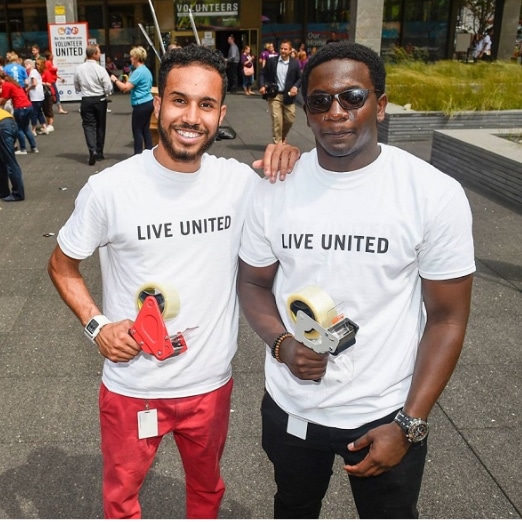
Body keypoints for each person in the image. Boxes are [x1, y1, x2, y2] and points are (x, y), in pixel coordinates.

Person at [47, 44, 299, 519]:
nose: (192, 117)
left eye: (206, 105)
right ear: (157, 104)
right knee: (121, 500)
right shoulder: (110, 189)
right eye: (180, 100)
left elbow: (307, 195)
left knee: (207, 493)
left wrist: (288, 155)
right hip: (133, 385)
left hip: (209, 385)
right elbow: (62, 264)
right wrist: (97, 325)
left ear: (221, 113)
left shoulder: (242, 184)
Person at [237, 42, 475, 519]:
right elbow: (253, 284)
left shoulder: (432, 194)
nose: (337, 112)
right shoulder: (275, 188)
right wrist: (283, 344)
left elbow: (448, 319)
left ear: (380, 105)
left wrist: (410, 423)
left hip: (384, 413)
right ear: (306, 111)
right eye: (321, 101)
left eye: (353, 97)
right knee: (293, 507)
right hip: (293, 408)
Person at [110, 46, 154, 155]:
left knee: (137, 131)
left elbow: (125, 88)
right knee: (145, 129)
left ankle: (137, 155)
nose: (130, 59)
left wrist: (115, 80)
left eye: (132, 56)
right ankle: (149, 152)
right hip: (148, 102)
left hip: (141, 104)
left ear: (136, 58)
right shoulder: (146, 70)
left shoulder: (138, 72)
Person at [74, 44, 112, 165]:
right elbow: (108, 86)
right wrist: (106, 92)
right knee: (101, 125)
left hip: (86, 99)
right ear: (94, 54)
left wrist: (81, 89)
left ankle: (92, 150)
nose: (100, 54)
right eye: (99, 52)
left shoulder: (79, 68)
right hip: (100, 99)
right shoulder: (100, 69)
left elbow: (76, 85)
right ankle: (99, 152)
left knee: (88, 125)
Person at [259, 39, 302, 144]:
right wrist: (262, 85)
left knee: (290, 119)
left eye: (285, 49)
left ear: (290, 51)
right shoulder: (272, 61)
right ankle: (278, 143)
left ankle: (282, 136)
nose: (282, 50)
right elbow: (262, 74)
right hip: (275, 95)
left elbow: (300, 78)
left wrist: (295, 87)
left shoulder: (295, 64)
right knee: (277, 120)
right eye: (281, 48)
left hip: (288, 96)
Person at [0, 70, 39, 154]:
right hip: (28, 106)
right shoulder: (14, 83)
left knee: (19, 128)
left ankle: (23, 149)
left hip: (20, 107)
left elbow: (3, 99)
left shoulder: (6, 85)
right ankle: (34, 147)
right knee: (26, 128)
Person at [0, 106, 25, 201]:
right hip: (10, 122)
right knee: (2, 162)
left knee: (10, 162)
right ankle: (3, 192)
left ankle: (18, 194)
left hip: (3, 126)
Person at [24, 58, 49, 136]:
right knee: (39, 112)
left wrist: (28, 88)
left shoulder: (32, 72)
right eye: (25, 64)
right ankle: (44, 127)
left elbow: (34, 83)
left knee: (34, 112)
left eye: (27, 64)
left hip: (35, 95)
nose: (25, 66)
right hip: (39, 95)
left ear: (31, 65)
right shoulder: (34, 72)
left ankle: (33, 129)